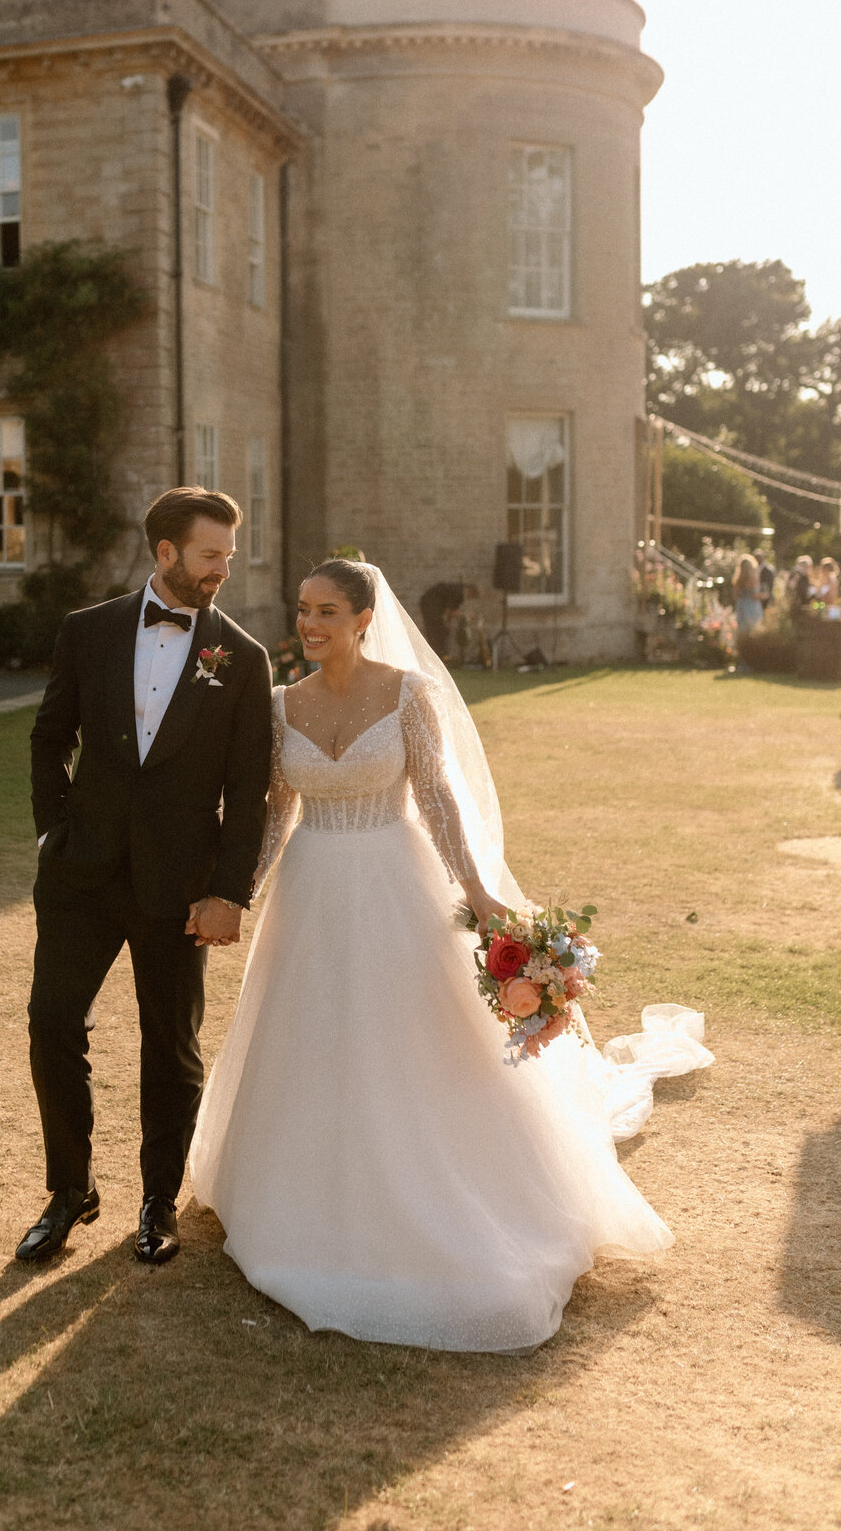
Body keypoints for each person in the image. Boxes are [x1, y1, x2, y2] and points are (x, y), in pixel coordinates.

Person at [189, 559, 712, 1353]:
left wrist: (481, 894)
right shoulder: (280, 703)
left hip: (395, 884)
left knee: (410, 1042)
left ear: (364, 618)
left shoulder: (408, 693)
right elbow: (275, 812)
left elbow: (435, 799)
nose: (310, 624)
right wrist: (238, 893)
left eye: (327, 610)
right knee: (313, 1038)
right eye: (303, 610)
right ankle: (306, 1191)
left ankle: (439, 1192)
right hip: (311, 893)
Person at [18, 487, 273, 1268]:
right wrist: (53, 831)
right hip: (82, 875)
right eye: (209, 555)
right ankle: (70, 1191)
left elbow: (248, 790)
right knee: (51, 1024)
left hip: (180, 888)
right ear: (166, 553)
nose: (222, 569)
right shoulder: (86, 631)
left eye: (228, 555)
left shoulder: (243, 658)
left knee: (171, 1045)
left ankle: (158, 1200)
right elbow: (49, 736)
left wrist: (228, 892)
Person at [732, 554, 764, 636]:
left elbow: (735, 596)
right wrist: (764, 595)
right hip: (753, 606)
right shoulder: (754, 579)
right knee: (754, 630)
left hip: (741, 605)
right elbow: (755, 595)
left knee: (742, 630)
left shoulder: (737, 580)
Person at [786, 554, 816, 623]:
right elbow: (791, 587)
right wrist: (797, 575)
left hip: (805, 605)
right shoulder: (795, 575)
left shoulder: (806, 578)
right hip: (796, 606)